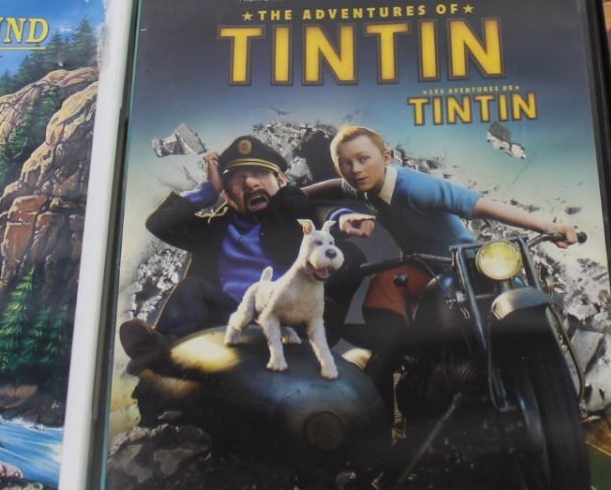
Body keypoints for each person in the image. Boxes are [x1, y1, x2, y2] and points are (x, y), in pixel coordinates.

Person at [314, 125, 580, 395]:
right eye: (345, 163)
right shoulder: (363, 185)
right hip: (424, 268)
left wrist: (547, 227)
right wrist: (300, 194)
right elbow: (336, 187)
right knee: (385, 317)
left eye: (363, 159)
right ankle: (398, 381)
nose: (355, 169)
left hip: (466, 269)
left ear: (387, 156)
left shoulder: (415, 188)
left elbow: (480, 205)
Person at [123, 136, 372, 363]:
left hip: (288, 314)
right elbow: (160, 223)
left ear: (281, 180)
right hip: (231, 314)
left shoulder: (294, 210)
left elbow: (318, 213)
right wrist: (209, 189)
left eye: (260, 173)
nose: (251, 183)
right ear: (228, 195)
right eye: (238, 179)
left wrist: (341, 218)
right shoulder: (217, 227)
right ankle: (160, 347)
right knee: (192, 289)